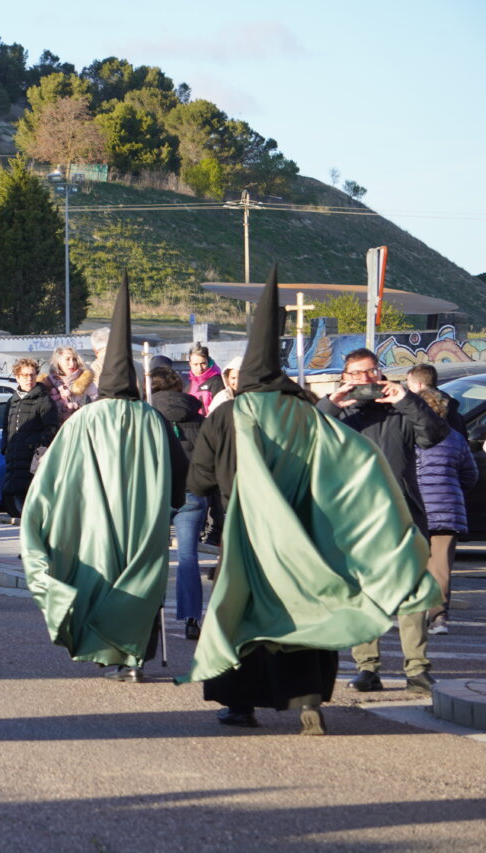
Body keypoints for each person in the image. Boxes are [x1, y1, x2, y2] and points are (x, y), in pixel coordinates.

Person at [184, 268, 438, 733]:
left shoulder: (225, 416)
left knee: (243, 617)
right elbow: (350, 466)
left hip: (243, 541)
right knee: (306, 608)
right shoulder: (307, 416)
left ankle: (241, 706)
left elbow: (198, 482)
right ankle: (307, 703)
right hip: (304, 538)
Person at [21, 279, 186, 683]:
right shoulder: (152, 419)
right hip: (145, 518)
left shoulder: (85, 419)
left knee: (101, 576)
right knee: (143, 579)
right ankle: (137, 659)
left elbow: (55, 472)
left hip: (95, 518)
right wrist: (173, 502)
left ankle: (109, 653)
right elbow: (178, 467)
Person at [318, 347, 447, 694]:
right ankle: (367, 667)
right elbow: (305, 438)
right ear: (345, 377)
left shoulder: (400, 411)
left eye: (371, 372)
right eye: (357, 374)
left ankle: (417, 669)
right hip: (355, 521)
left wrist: (405, 399)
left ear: (381, 373)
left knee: (412, 596)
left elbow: (434, 433)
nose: (365, 380)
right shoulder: (338, 416)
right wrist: (332, 403)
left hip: (402, 516)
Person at [148, 366, 206, 639]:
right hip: (192, 491)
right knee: (188, 556)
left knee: (152, 557)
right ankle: (192, 617)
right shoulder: (196, 416)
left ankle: (150, 613)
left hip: (157, 491)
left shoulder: (146, 415)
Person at [414, 388, 478, 635]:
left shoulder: (409, 436)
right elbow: (470, 474)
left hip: (415, 508)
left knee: (413, 564)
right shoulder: (455, 438)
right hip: (448, 509)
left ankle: (413, 614)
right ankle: (439, 617)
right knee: (440, 567)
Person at [0, 358, 58, 519]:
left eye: (32, 375)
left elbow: (52, 429)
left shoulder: (43, 400)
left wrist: (34, 442)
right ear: (17, 377)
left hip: (32, 459)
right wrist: (5, 446)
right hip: (13, 457)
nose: (29, 379)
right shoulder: (12, 401)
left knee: (31, 497)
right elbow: (6, 427)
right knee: (14, 496)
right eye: (24, 375)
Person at [406, 364, 468, 437]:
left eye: (409, 386)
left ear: (418, 385)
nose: (409, 390)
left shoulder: (420, 409)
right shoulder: (451, 406)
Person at [44, 347, 97, 425]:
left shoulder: (86, 382)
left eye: (74, 359)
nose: (72, 363)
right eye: (67, 359)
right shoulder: (47, 383)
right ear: (58, 361)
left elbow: (96, 409)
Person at [186, 345, 225, 415]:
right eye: (195, 364)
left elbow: (221, 411)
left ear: (208, 362)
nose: (200, 368)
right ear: (190, 364)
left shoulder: (216, 382)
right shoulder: (189, 385)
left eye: (203, 363)